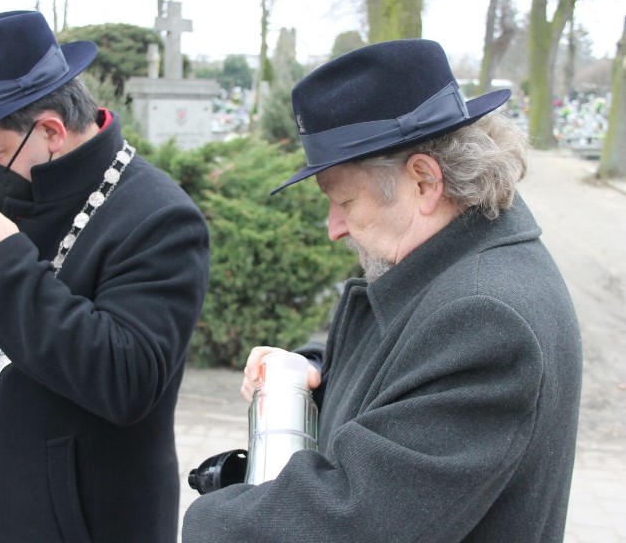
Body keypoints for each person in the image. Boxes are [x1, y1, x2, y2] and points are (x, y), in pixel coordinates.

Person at [182, 39, 582, 542]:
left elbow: (357, 519)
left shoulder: (487, 319)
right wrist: (314, 373)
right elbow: (408, 373)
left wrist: (214, 520)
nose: (334, 227)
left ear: (422, 181)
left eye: (344, 200)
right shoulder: (459, 265)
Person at [0, 11, 210, 542]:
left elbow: (128, 378)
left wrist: (2, 265)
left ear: (50, 131)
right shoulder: (15, 179)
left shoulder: (160, 217)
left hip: (87, 519)